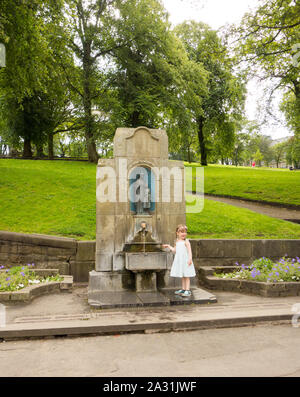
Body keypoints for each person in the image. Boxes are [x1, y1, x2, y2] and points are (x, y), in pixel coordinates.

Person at [162, 224, 196, 297]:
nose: (183, 233)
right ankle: (183, 289)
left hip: (186, 261)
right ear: (177, 233)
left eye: (184, 232)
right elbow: (175, 250)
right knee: (183, 275)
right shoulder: (177, 241)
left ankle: (187, 290)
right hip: (180, 261)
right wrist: (168, 246)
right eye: (181, 232)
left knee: (187, 275)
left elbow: (190, 251)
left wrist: (190, 259)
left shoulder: (186, 242)